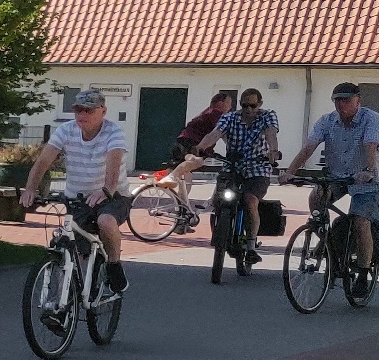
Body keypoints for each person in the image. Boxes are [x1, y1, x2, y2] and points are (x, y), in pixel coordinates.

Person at [23, 89, 131, 292]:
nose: (82, 115)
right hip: (78, 198)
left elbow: (114, 166)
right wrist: (30, 189)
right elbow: (43, 162)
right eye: (79, 110)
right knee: (70, 249)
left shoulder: (114, 132)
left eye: (89, 111)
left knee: (105, 221)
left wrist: (105, 190)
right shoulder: (66, 130)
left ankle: (114, 264)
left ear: (103, 111)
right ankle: (61, 303)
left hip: (113, 195)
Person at [288, 81, 379, 273]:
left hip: (365, 178)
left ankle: (363, 273)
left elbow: (370, 144)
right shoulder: (326, 121)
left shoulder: (371, 119)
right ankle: (328, 244)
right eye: (337, 100)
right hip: (337, 176)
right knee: (316, 197)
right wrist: (290, 172)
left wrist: (369, 171)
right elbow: (309, 147)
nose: (340, 105)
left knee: (361, 221)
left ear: (358, 101)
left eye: (346, 100)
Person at [197, 86, 281, 262]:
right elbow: (215, 133)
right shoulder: (229, 117)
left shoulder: (268, 116)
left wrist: (273, 151)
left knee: (250, 200)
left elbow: (271, 133)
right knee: (219, 200)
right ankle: (221, 235)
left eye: (253, 106)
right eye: (245, 106)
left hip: (258, 167)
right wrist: (201, 147)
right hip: (232, 166)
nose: (249, 110)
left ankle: (250, 246)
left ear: (260, 104)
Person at [162, 88, 236, 197]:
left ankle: (181, 205)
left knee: (188, 176)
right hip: (193, 143)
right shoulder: (217, 113)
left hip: (182, 141)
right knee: (195, 161)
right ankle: (172, 176)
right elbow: (221, 132)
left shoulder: (207, 111)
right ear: (221, 103)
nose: (230, 107)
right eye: (229, 103)